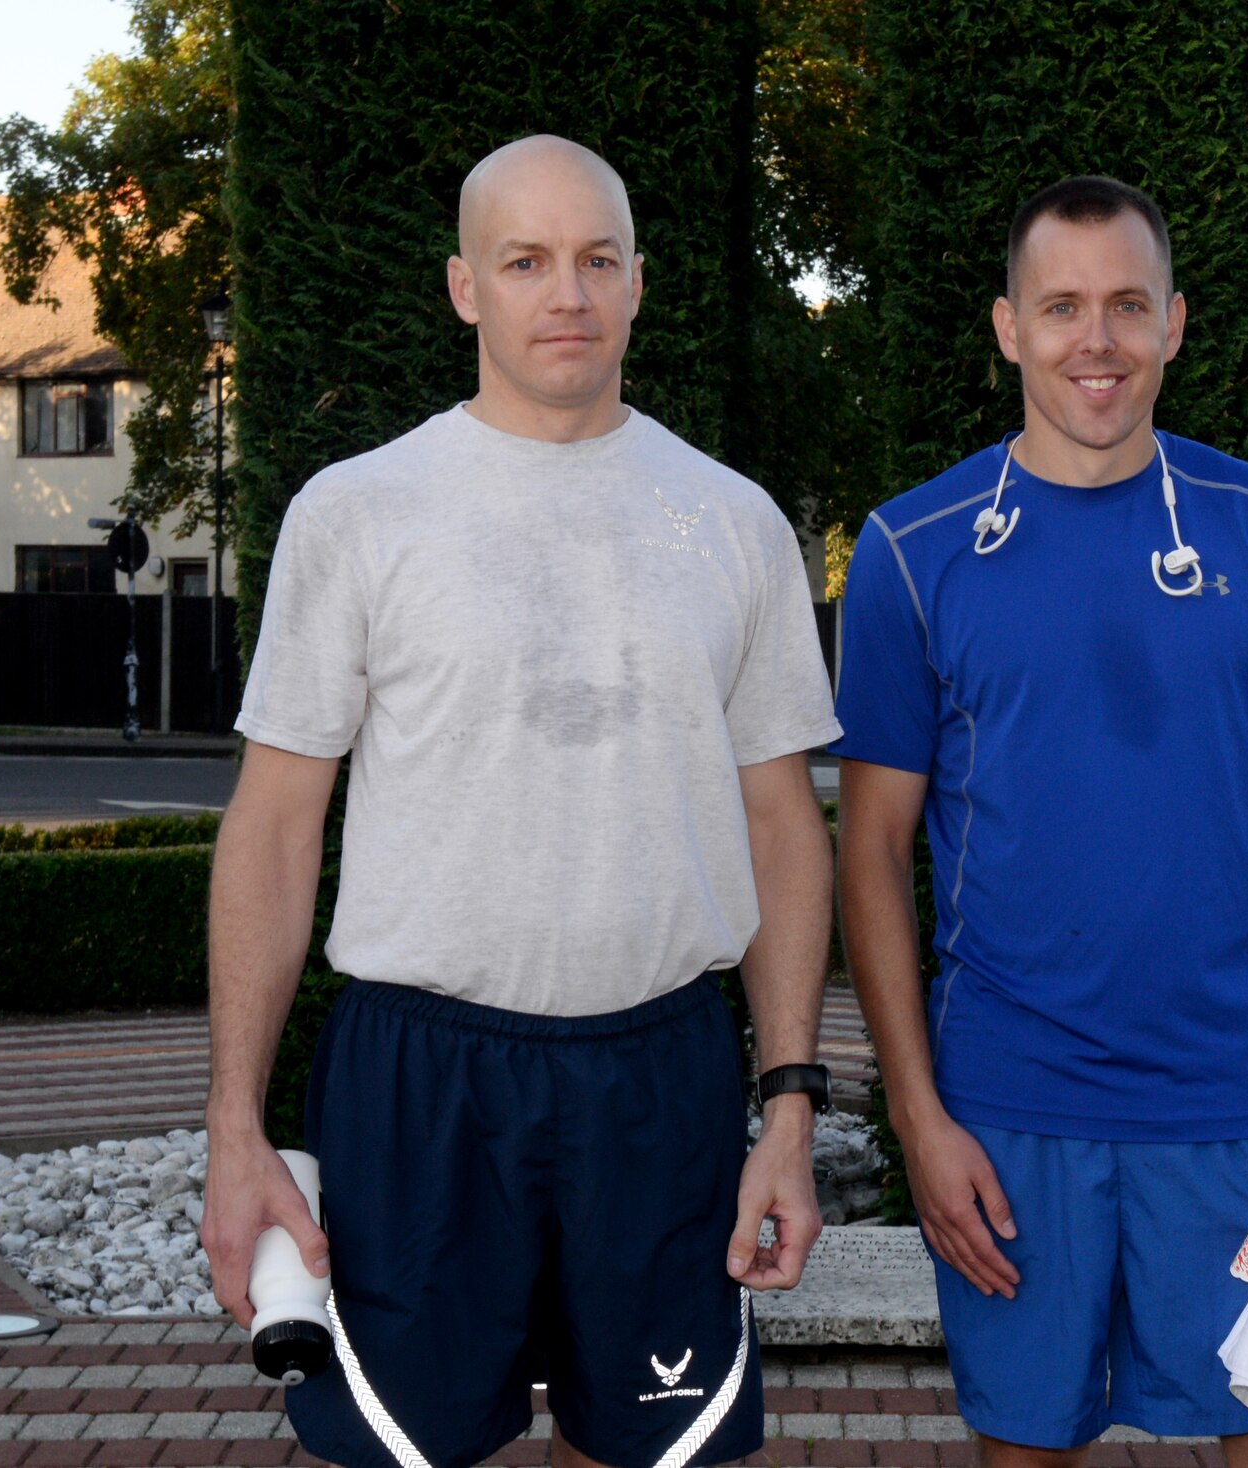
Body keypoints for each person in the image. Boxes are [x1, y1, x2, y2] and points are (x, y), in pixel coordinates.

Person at [201, 134, 843, 1468]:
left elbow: (784, 829)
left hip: (661, 1075)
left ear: (637, 284)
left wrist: (788, 1105)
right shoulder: (359, 514)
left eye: (597, 260)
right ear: (463, 288)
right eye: (527, 260)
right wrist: (235, 1127)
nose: (568, 293)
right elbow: (272, 828)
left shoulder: (732, 523)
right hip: (419, 1078)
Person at [833, 175, 1248, 1468]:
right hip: (1007, 1117)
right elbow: (867, 851)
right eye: (1063, 306)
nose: (1097, 340)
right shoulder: (912, 552)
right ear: (1007, 326)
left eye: (1128, 306)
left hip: (1234, 1099)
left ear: (1175, 323)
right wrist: (917, 1119)